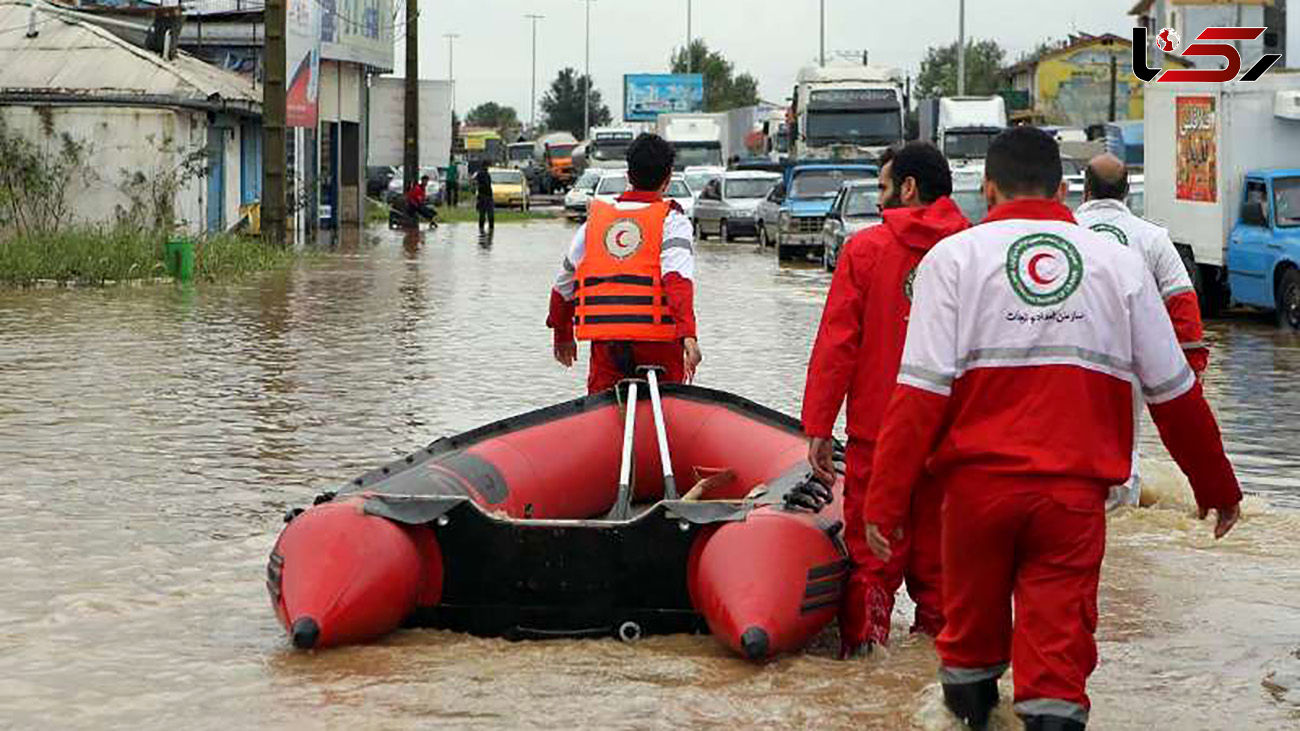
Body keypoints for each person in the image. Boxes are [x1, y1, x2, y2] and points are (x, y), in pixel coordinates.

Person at [861, 127, 1241, 731]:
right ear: (1064, 190)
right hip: (1073, 501)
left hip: (973, 499)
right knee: (1057, 666)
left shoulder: (953, 259)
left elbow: (919, 394)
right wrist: (1217, 488)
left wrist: (884, 501)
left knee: (967, 651)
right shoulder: (1120, 263)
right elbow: (1175, 392)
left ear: (987, 191)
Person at [800, 141, 970, 659]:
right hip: (953, 441)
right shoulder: (974, 250)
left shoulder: (866, 250)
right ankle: (935, 680)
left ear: (909, 188)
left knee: (872, 567)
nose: (878, 200)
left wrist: (818, 428)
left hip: (879, 436)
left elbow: (837, 345)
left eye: (882, 187)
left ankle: (866, 669)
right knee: (944, 575)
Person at [1074, 153, 1208, 508]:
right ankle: (1124, 522)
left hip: (1065, 355)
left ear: (1085, 189)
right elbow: (1183, 303)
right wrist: (1190, 368)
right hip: (1129, 361)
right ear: (1127, 191)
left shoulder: (1064, 231)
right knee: (1123, 445)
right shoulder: (1152, 238)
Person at [547, 133, 703, 394]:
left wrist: (562, 332)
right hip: (658, 345)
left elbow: (564, 284)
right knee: (667, 412)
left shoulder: (594, 222)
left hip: (608, 345)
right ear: (668, 178)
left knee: (602, 410)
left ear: (628, 175)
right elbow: (677, 280)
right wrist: (689, 334)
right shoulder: (673, 221)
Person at [475, 164, 495, 234]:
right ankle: (490, 227)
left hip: (482, 195)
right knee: (489, 213)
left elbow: (476, 184)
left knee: (482, 213)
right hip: (487, 195)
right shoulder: (485, 174)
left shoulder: (479, 174)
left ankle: (481, 227)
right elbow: (487, 184)